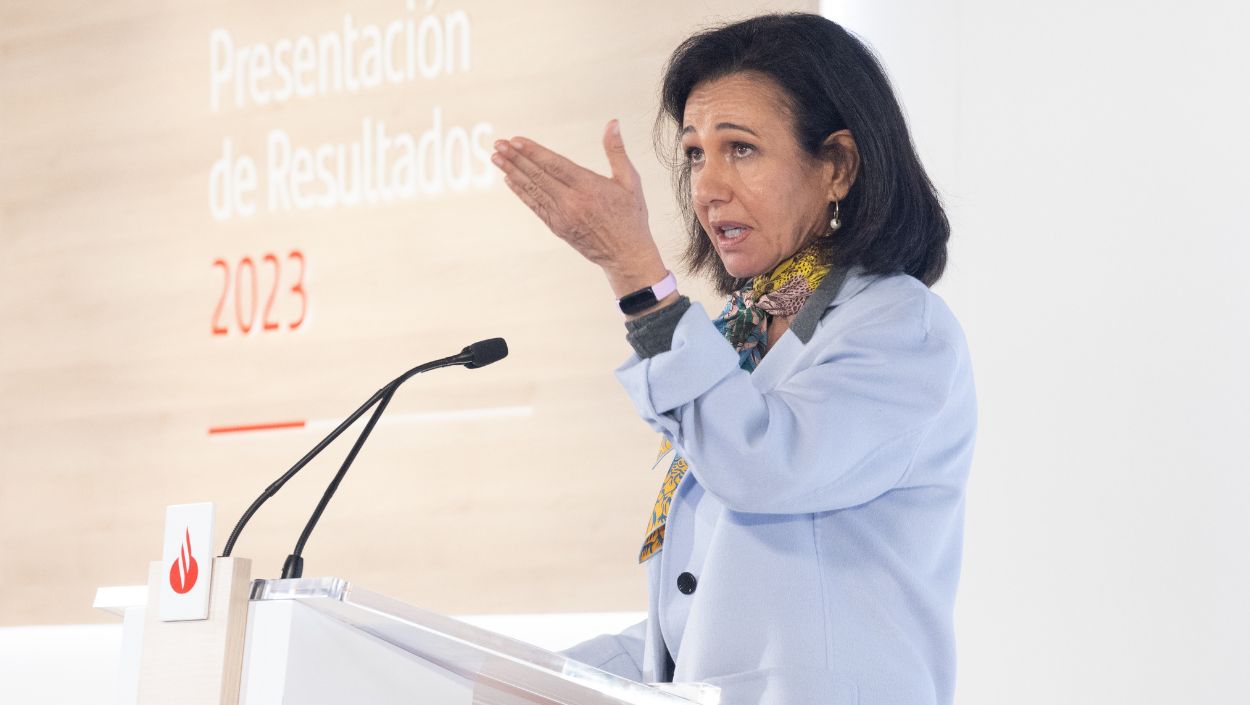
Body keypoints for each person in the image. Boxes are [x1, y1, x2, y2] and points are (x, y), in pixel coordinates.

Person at [489, 13, 976, 705]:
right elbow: (699, 626)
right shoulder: (741, 335)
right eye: (694, 153)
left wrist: (637, 275)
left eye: (740, 149)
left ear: (837, 166)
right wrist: (503, 673)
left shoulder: (900, 328)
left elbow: (761, 466)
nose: (707, 186)